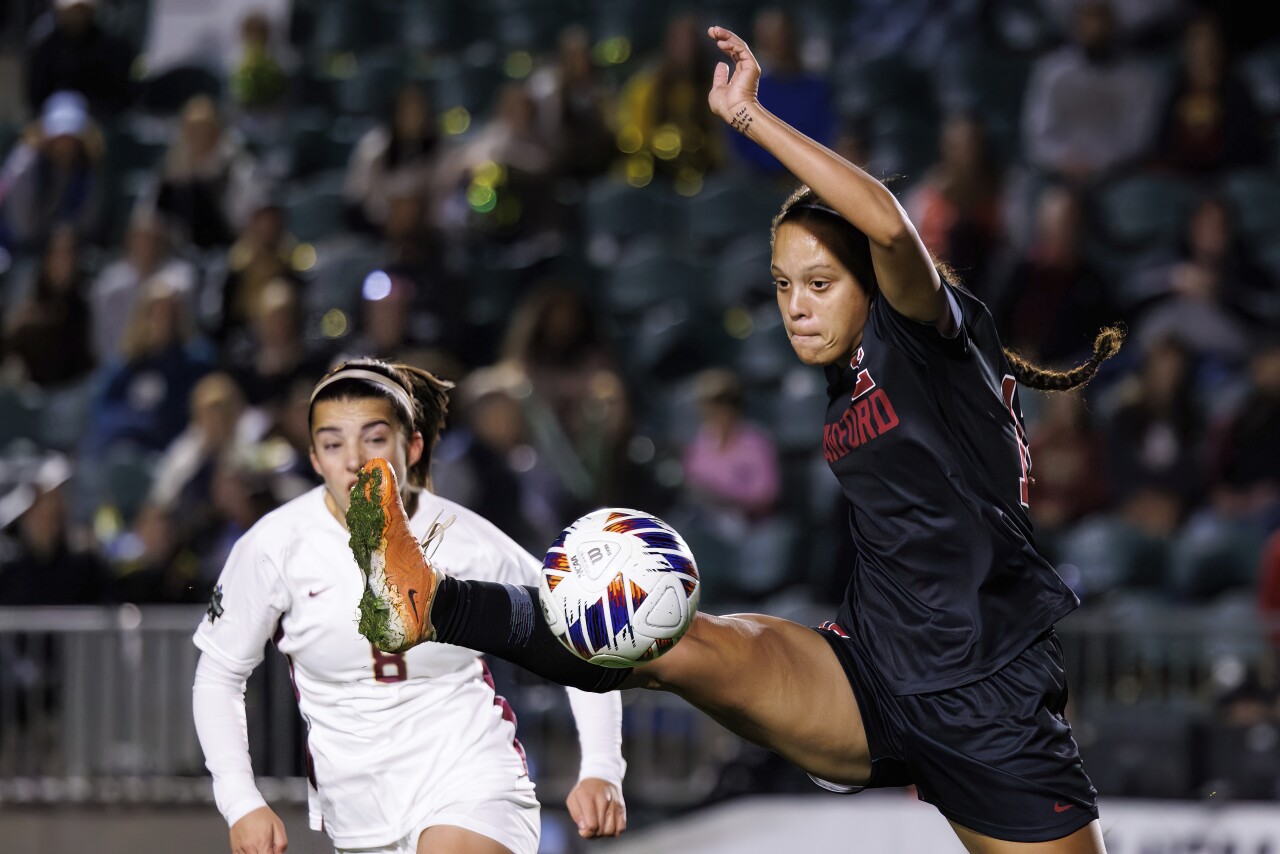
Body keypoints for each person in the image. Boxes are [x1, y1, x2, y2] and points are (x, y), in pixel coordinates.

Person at [348, 26, 1125, 853]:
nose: (796, 305)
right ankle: (431, 602)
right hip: (869, 673)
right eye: (784, 284)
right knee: (661, 640)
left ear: (873, 283)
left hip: (989, 697)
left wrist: (752, 119)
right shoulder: (847, 373)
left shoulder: (930, 337)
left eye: (820, 283)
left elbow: (895, 233)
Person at [191, 358, 627, 854]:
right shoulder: (274, 546)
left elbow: (578, 635)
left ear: (412, 446)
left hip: (473, 777)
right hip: (357, 815)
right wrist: (240, 800)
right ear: (313, 458)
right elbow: (219, 675)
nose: (354, 460)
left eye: (374, 439)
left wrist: (601, 767)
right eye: (333, 444)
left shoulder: (468, 539)